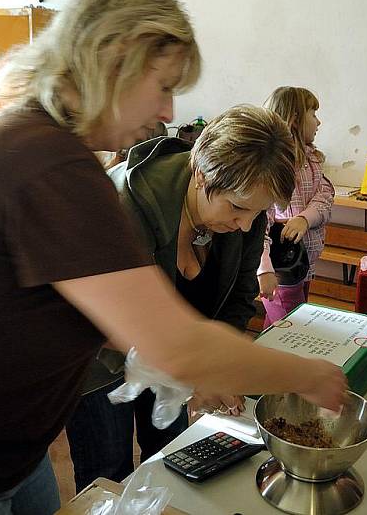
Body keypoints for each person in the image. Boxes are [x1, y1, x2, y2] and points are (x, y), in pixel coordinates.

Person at [0, 0, 347, 512]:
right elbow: (176, 345)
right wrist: (310, 377)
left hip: (7, 447)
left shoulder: (40, 144)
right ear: (112, 62)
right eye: (163, 85)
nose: (169, 110)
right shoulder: (48, 164)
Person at [66, 105, 293, 491]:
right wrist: (190, 374)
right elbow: (109, 320)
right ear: (201, 175)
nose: (245, 224)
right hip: (98, 361)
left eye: (258, 213)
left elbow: (239, 297)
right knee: (108, 471)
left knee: (173, 454)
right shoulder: (123, 204)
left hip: (175, 355)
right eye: (237, 208)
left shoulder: (246, 210)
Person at [257, 86, 335, 327]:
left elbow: (326, 194)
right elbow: (260, 222)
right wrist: (264, 269)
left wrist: (305, 218)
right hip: (280, 268)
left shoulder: (312, 159)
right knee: (291, 330)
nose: (318, 122)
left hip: (303, 264)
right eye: (313, 114)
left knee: (277, 326)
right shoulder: (272, 165)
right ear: (294, 119)